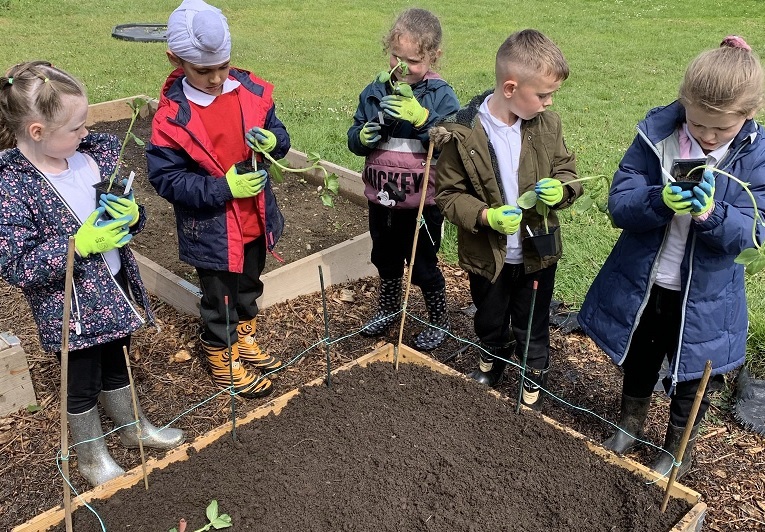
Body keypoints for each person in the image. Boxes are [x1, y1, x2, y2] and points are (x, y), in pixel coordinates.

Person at [578, 36, 765, 479]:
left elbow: (756, 230)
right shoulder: (658, 138)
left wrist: (710, 213)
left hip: (707, 296)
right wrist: (661, 200)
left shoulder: (757, 157)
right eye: (697, 125)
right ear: (684, 104)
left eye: (719, 130)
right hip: (651, 281)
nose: (706, 136)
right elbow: (621, 203)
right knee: (642, 355)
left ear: (748, 114)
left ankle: (676, 450)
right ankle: (629, 425)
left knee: (693, 376)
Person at [0, 61, 184, 487]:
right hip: (71, 306)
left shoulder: (89, 160)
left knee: (117, 360)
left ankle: (133, 426)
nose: (86, 134)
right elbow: (16, 265)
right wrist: (77, 247)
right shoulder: (13, 187)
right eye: (76, 127)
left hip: (115, 288)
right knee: (82, 382)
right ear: (37, 132)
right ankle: (91, 456)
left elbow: (119, 218)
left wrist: (131, 216)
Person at [432, 29, 580, 410]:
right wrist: (485, 216)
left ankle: (533, 372)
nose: (548, 103)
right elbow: (447, 195)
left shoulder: (548, 125)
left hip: (537, 253)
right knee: (490, 316)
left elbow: (567, 170)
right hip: (488, 255)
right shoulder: (461, 133)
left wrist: (561, 190)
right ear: (511, 87)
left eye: (552, 96)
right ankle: (493, 355)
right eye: (543, 95)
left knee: (532, 320)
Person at [147, 0, 289, 398]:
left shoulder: (252, 93)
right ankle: (220, 351)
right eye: (203, 71)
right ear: (175, 60)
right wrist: (224, 188)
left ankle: (244, 337)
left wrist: (275, 141)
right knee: (220, 297)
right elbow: (167, 179)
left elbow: (280, 135)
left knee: (248, 286)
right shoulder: (172, 119)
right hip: (211, 231)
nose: (215, 78)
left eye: (222, 68)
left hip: (255, 218)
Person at [347, 8, 460, 351]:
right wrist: (361, 137)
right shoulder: (375, 90)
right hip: (380, 197)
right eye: (396, 57)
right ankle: (389, 307)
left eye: (411, 60)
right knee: (385, 257)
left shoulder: (440, 95)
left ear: (433, 56)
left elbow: (452, 143)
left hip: (421, 202)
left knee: (423, 263)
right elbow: (354, 137)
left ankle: (439, 318)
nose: (401, 67)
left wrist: (424, 119)